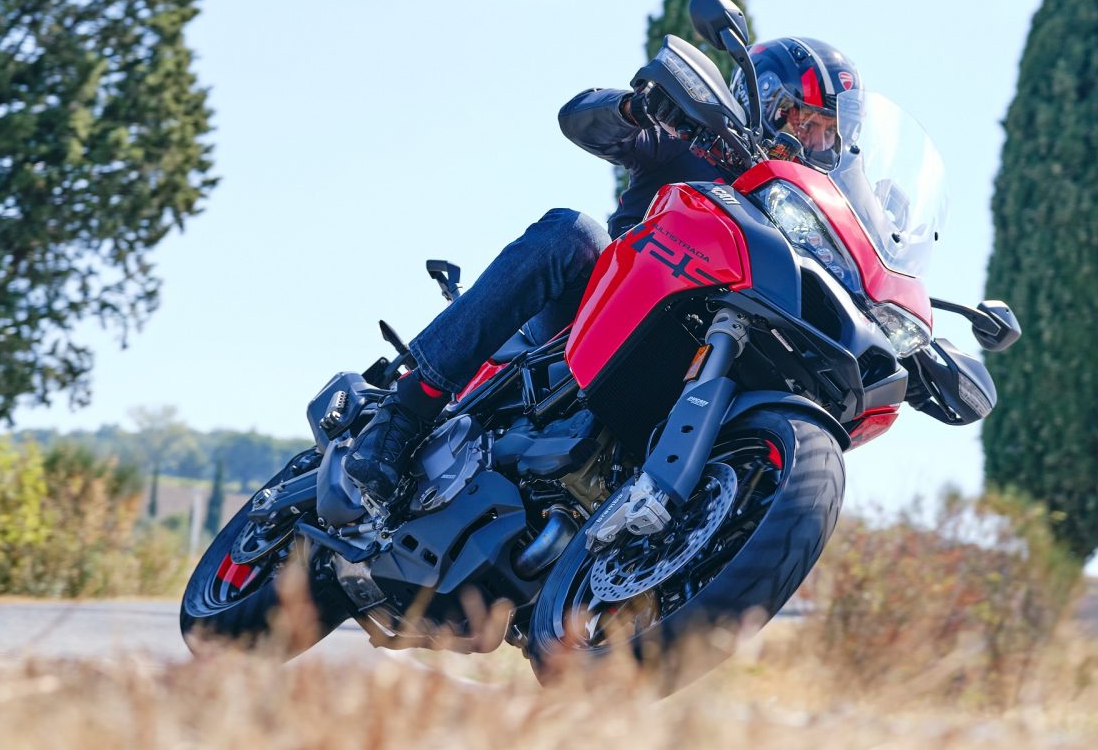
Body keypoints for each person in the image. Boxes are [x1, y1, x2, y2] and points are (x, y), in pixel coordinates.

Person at [343, 37, 862, 503]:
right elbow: (578, 118)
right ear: (764, 102)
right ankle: (406, 410)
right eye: (803, 120)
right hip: (602, 314)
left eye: (826, 132)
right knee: (572, 234)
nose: (813, 139)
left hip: (701, 354)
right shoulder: (697, 142)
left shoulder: (809, 216)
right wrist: (638, 109)